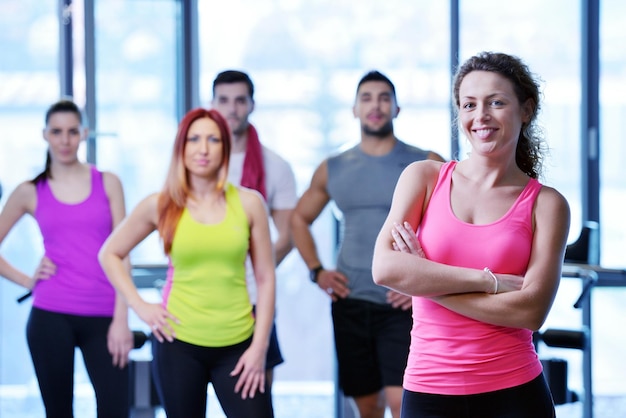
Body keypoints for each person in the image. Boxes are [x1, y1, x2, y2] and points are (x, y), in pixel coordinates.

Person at [371, 52, 571, 418]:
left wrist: (424, 280)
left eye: (496, 102)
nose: (481, 116)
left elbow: (530, 311)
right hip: (429, 388)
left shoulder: (546, 204)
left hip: (516, 392)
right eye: (469, 104)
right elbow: (384, 268)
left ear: (526, 110)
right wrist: (488, 282)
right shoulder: (424, 178)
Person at [98, 108, 275, 418]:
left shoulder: (250, 203)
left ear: (225, 148)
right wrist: (141, 306)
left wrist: (259, 348)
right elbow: (109, 253)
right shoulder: (161, 203)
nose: (203, 149)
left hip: (238, 343)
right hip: (177, 342)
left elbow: (265, 278)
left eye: (213, 139)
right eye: (194, 139)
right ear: (181, 147)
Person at [291, 70, 446, 418]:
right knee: (368, 408)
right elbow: (298, 219)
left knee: (401, 403)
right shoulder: (333, 168)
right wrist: (317, 271)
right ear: (354, 110)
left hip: (402, 304)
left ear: (396, 108)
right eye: (367, 98)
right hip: (351, 301)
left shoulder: (427, 162)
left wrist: (422, 286)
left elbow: (451, 228)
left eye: (383, 98)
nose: (375, 105)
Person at [0, 99, 133, 417]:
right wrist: (28, 280)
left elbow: (123, 252)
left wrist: (122, 318)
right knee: (59, 412)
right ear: (45, 134)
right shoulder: (30, 191)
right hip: (50, 315)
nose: (64, 140)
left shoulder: (109, 182)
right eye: (56, 132)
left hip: (104, 315)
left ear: (84, 133)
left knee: (115, 410)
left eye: (72, 131)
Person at [211, 70, 297, 388]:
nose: (231, 109)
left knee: (255, 394)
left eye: (239, 100)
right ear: (212, 104)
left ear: (252, 105)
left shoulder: (275, 166)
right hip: (198, 297)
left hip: (251, 299)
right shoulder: (196, 161)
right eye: (224, 100)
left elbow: (286, 237)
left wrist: (252, 272)